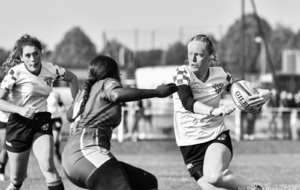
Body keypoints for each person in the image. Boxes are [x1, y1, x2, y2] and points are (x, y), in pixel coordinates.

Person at [62, 55, 178, 190]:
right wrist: (156, 92)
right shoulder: (105, 82)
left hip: (71, 158)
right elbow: (117, 95)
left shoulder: (84, 94)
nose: (120, 77)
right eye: (119, 74)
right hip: (86, 152)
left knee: (147, 182)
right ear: (113, 74)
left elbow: (69, 116)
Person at [172, 34, 271, 190]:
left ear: (210, 56)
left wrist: (265, 93)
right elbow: (186, 101)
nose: (193, 59)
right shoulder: (183, 73)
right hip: (190, 146)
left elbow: (242, 89)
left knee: (214, 176)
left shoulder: (221, 75)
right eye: (190, 54)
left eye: (199, 54)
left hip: (216, 136)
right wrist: (214, 110)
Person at [0, 34, 79, 190]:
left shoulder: (52, 69)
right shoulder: (15, 73)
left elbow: (73, 78)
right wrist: (20, 110)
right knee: (17, 179)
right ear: (21, 57)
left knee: (49, 167)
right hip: (18, 124)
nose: (32, 58)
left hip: (41, 121)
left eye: (35, 53)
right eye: (27, 55)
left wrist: (75, 105)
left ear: (41, 53)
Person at [47, 91, 66, 163]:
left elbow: (61, 103)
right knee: (47, 140)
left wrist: (63, 108)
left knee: (55, 140)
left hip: (56, 118)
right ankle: (49, 158)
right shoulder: (41, 93)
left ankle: (57, 154)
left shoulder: (56, 94)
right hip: (47, 119)